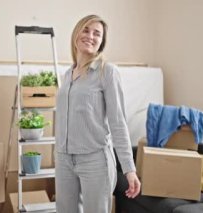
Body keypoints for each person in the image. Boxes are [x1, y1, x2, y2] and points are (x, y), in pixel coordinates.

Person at [55, 14, 140, 213]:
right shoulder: (67, 74)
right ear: (76, 34)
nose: (90, 36)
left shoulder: (107, 72)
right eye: (86, 30)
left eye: (97, 33)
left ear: (101, 42)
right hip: (64, 159)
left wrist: (129, 169)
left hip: (95, 161)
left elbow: (118, 123)